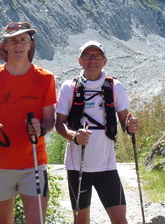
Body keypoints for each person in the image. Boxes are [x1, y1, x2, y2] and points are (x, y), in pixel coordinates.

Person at [0, 22, 56, 224]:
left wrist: (41, 129)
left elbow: (49, 120)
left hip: (34, 164)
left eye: (23, 40)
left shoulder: (45, 78)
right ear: (6, 45)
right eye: (13, 40)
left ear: (30, 45)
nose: (18, 44)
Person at [55, 40, 140, 224]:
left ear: (105, 61)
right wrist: (74, 136)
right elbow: (59, 124)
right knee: (81, 220)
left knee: (120, 220)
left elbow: (124, 121)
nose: (92, 60)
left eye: (97, 56)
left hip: (107, 166)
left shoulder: (115, 86)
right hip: (76, 166)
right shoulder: (69, 87)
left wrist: (131, 126)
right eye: (87, 56)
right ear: (80, 60)